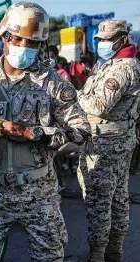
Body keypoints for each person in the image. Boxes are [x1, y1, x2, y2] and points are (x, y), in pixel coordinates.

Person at [0, 2, 90, 261]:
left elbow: (82, 135)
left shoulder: (55, 85)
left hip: (39, 195)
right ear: (5, 37)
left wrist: (33, 133)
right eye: (18, 39)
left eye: (33, 43)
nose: (24, 48)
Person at [77, 20, 140, 262]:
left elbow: (98, 106)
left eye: (107, 39)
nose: (103, 43)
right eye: (100, 39)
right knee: (117, 198)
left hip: (105, 143)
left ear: (122, 39)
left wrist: (72, 96)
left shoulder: (121, 69)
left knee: (99, 202)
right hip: (116, 140)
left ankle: (98, 254)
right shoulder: (111, 64)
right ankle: (114, 252)